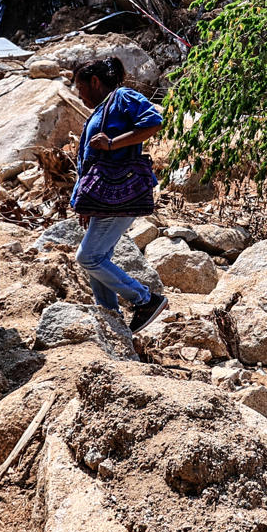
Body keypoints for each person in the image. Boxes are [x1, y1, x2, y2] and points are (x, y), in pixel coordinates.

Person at [67, 57, 168, 332]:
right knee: (98, 260)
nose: (79, 94)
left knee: (88, 257)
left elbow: (154, 122)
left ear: (95, 81)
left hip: (119, 194)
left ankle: (145, 299)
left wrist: (112, 143)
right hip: (105, 199)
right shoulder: (103, 108)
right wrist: (86, 203)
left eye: (80, 87)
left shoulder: (122, 96)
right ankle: (112, 323)